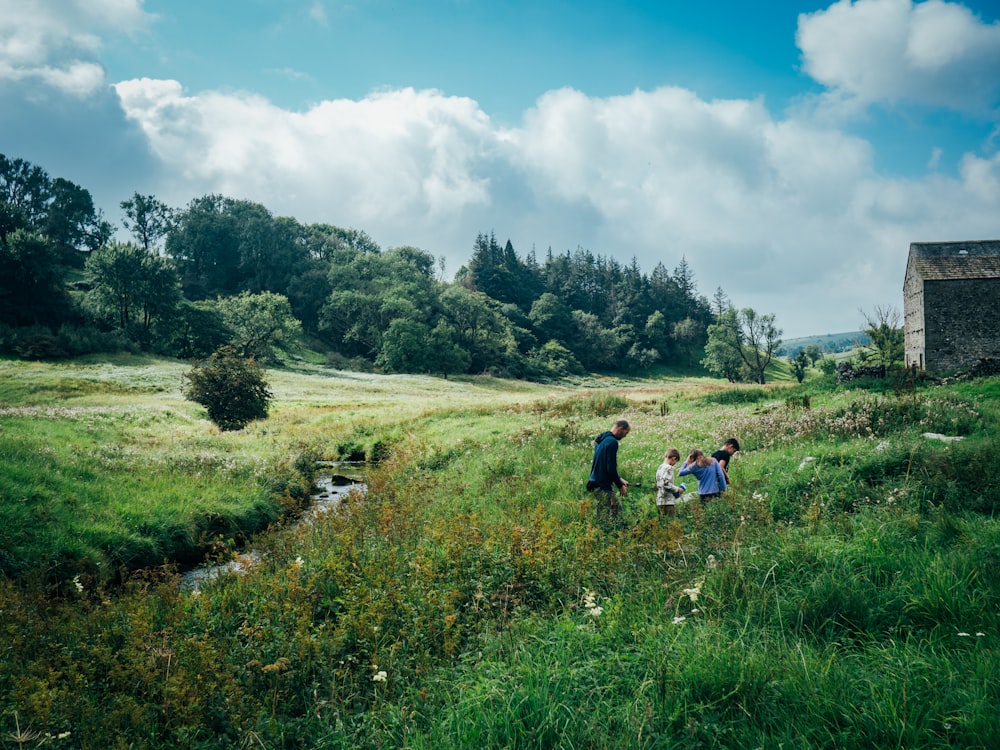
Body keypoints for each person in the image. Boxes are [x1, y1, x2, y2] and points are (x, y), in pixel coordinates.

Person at [588, 419, 630, 526]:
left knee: (610, 510)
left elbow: (603, 464)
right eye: (626, 433)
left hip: (594, 481)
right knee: (609, 513)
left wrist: (619, 478)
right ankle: (606, 535)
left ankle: (606, 533)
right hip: (603, 484)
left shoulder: (602, 440)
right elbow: (610, 468)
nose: (625, 436)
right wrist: (620, 486)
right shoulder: (612, 442)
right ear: (621, 429)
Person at [654, 447, 684, 516]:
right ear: (674, 458)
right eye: (675, 462)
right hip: (668, 501)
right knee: (670, 522)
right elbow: (666, 484)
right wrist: (677, 489)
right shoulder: (669, 468)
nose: (674, 464)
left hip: (659, 500)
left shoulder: (660, 467)